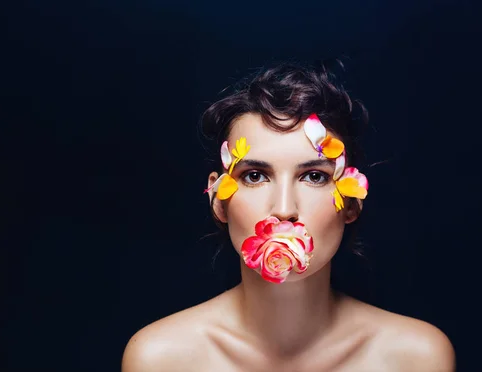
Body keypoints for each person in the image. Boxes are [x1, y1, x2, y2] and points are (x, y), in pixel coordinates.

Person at [122, 60, 455, 371]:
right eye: (254, 175)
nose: (284, 209)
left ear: (352, 202)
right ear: (218, 199)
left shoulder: (417, 358)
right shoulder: (160, 359)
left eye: (314, 176)